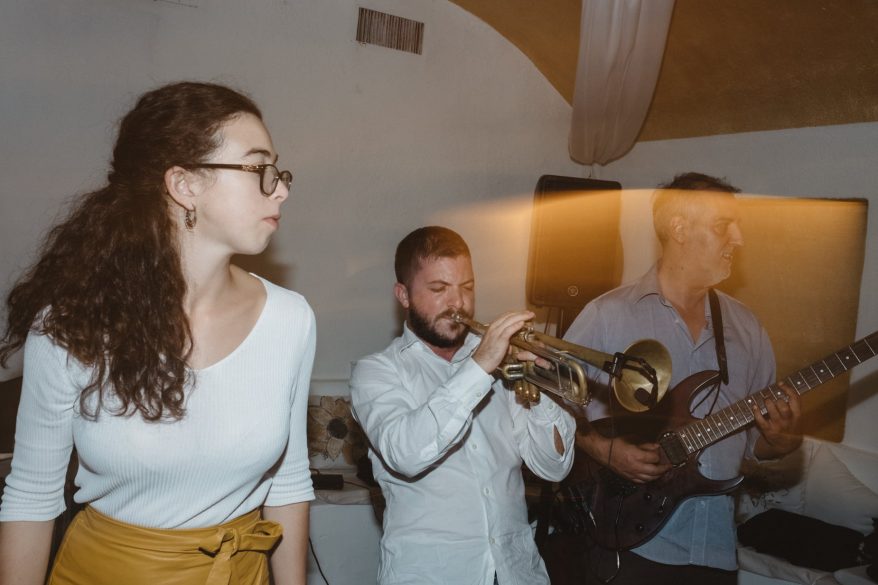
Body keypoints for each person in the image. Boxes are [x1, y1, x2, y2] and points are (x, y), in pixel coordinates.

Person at [0, 82, 315, 585]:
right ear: (184, 184)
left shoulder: (289, 319)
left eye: (276, 171)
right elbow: (32, 495)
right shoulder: (73, 325)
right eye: (258, 169)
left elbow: (289, 481)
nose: (281, 189)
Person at [563, 172, 803, 585]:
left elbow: (755, 443)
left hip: (716, 551)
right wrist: (604, 450)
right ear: (679, 229)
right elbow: (544, 412)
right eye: (723, 225)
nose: (739, 238)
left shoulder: (747, 328)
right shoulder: (608, 315)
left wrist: (779, 442)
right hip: (629, 543)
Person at [350, 226, 576, 585]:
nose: (458, 303)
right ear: (403, 295)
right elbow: (405, 453)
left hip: (517, 572)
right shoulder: (377, 371)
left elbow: (553, 467)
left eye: (467, 287)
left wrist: (538, 383)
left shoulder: (503, 365)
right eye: (439, 289)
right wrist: (480, 366)